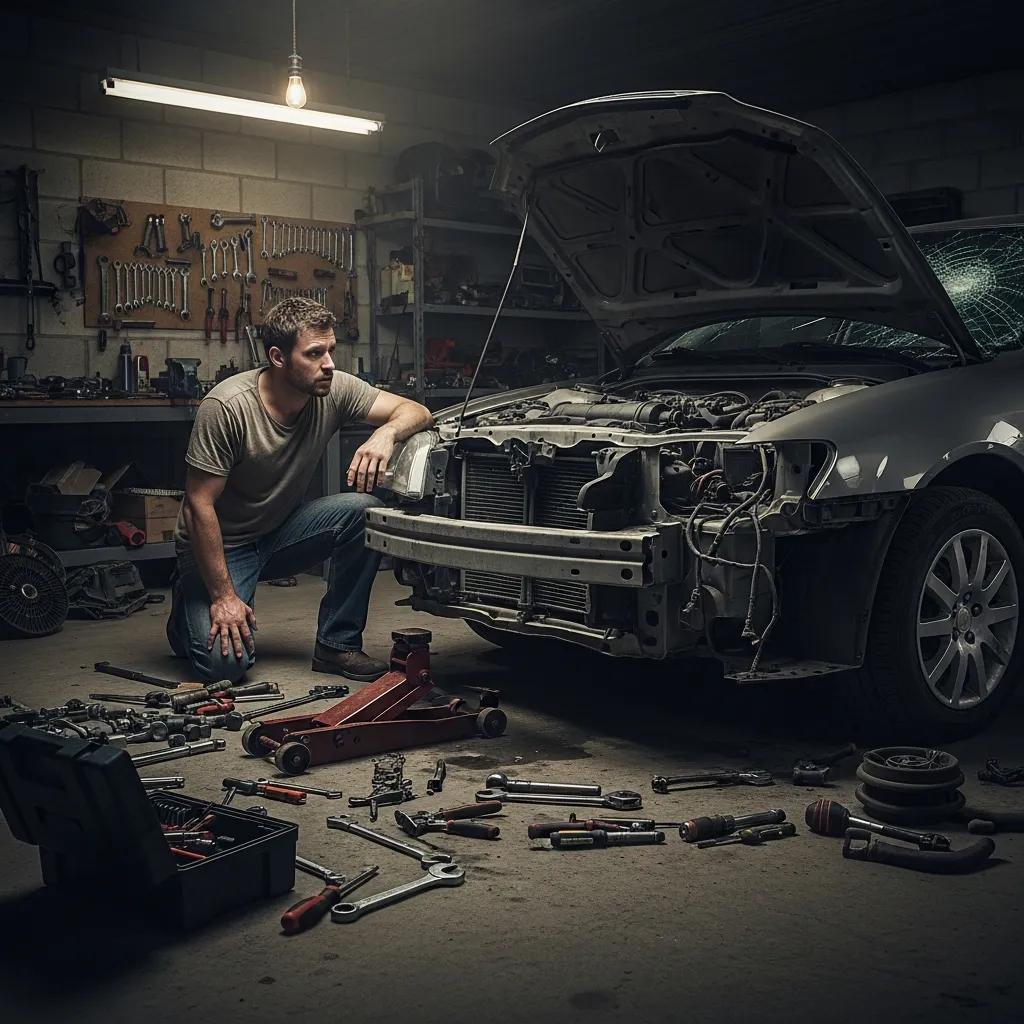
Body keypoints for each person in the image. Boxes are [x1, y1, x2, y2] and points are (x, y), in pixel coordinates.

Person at [166, 297, 433, 684]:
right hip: (221, 543)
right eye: (314, 353)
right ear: (278, 357)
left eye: (331, 351)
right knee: (225, 667)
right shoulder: (227, 407)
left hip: (279, 532)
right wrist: (224, 597)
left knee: (364, 511)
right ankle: (189, 607)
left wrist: (385, 433)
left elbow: (416, 411)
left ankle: (336, 645)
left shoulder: (333, 387)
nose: (329, 364)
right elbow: (198, 505)